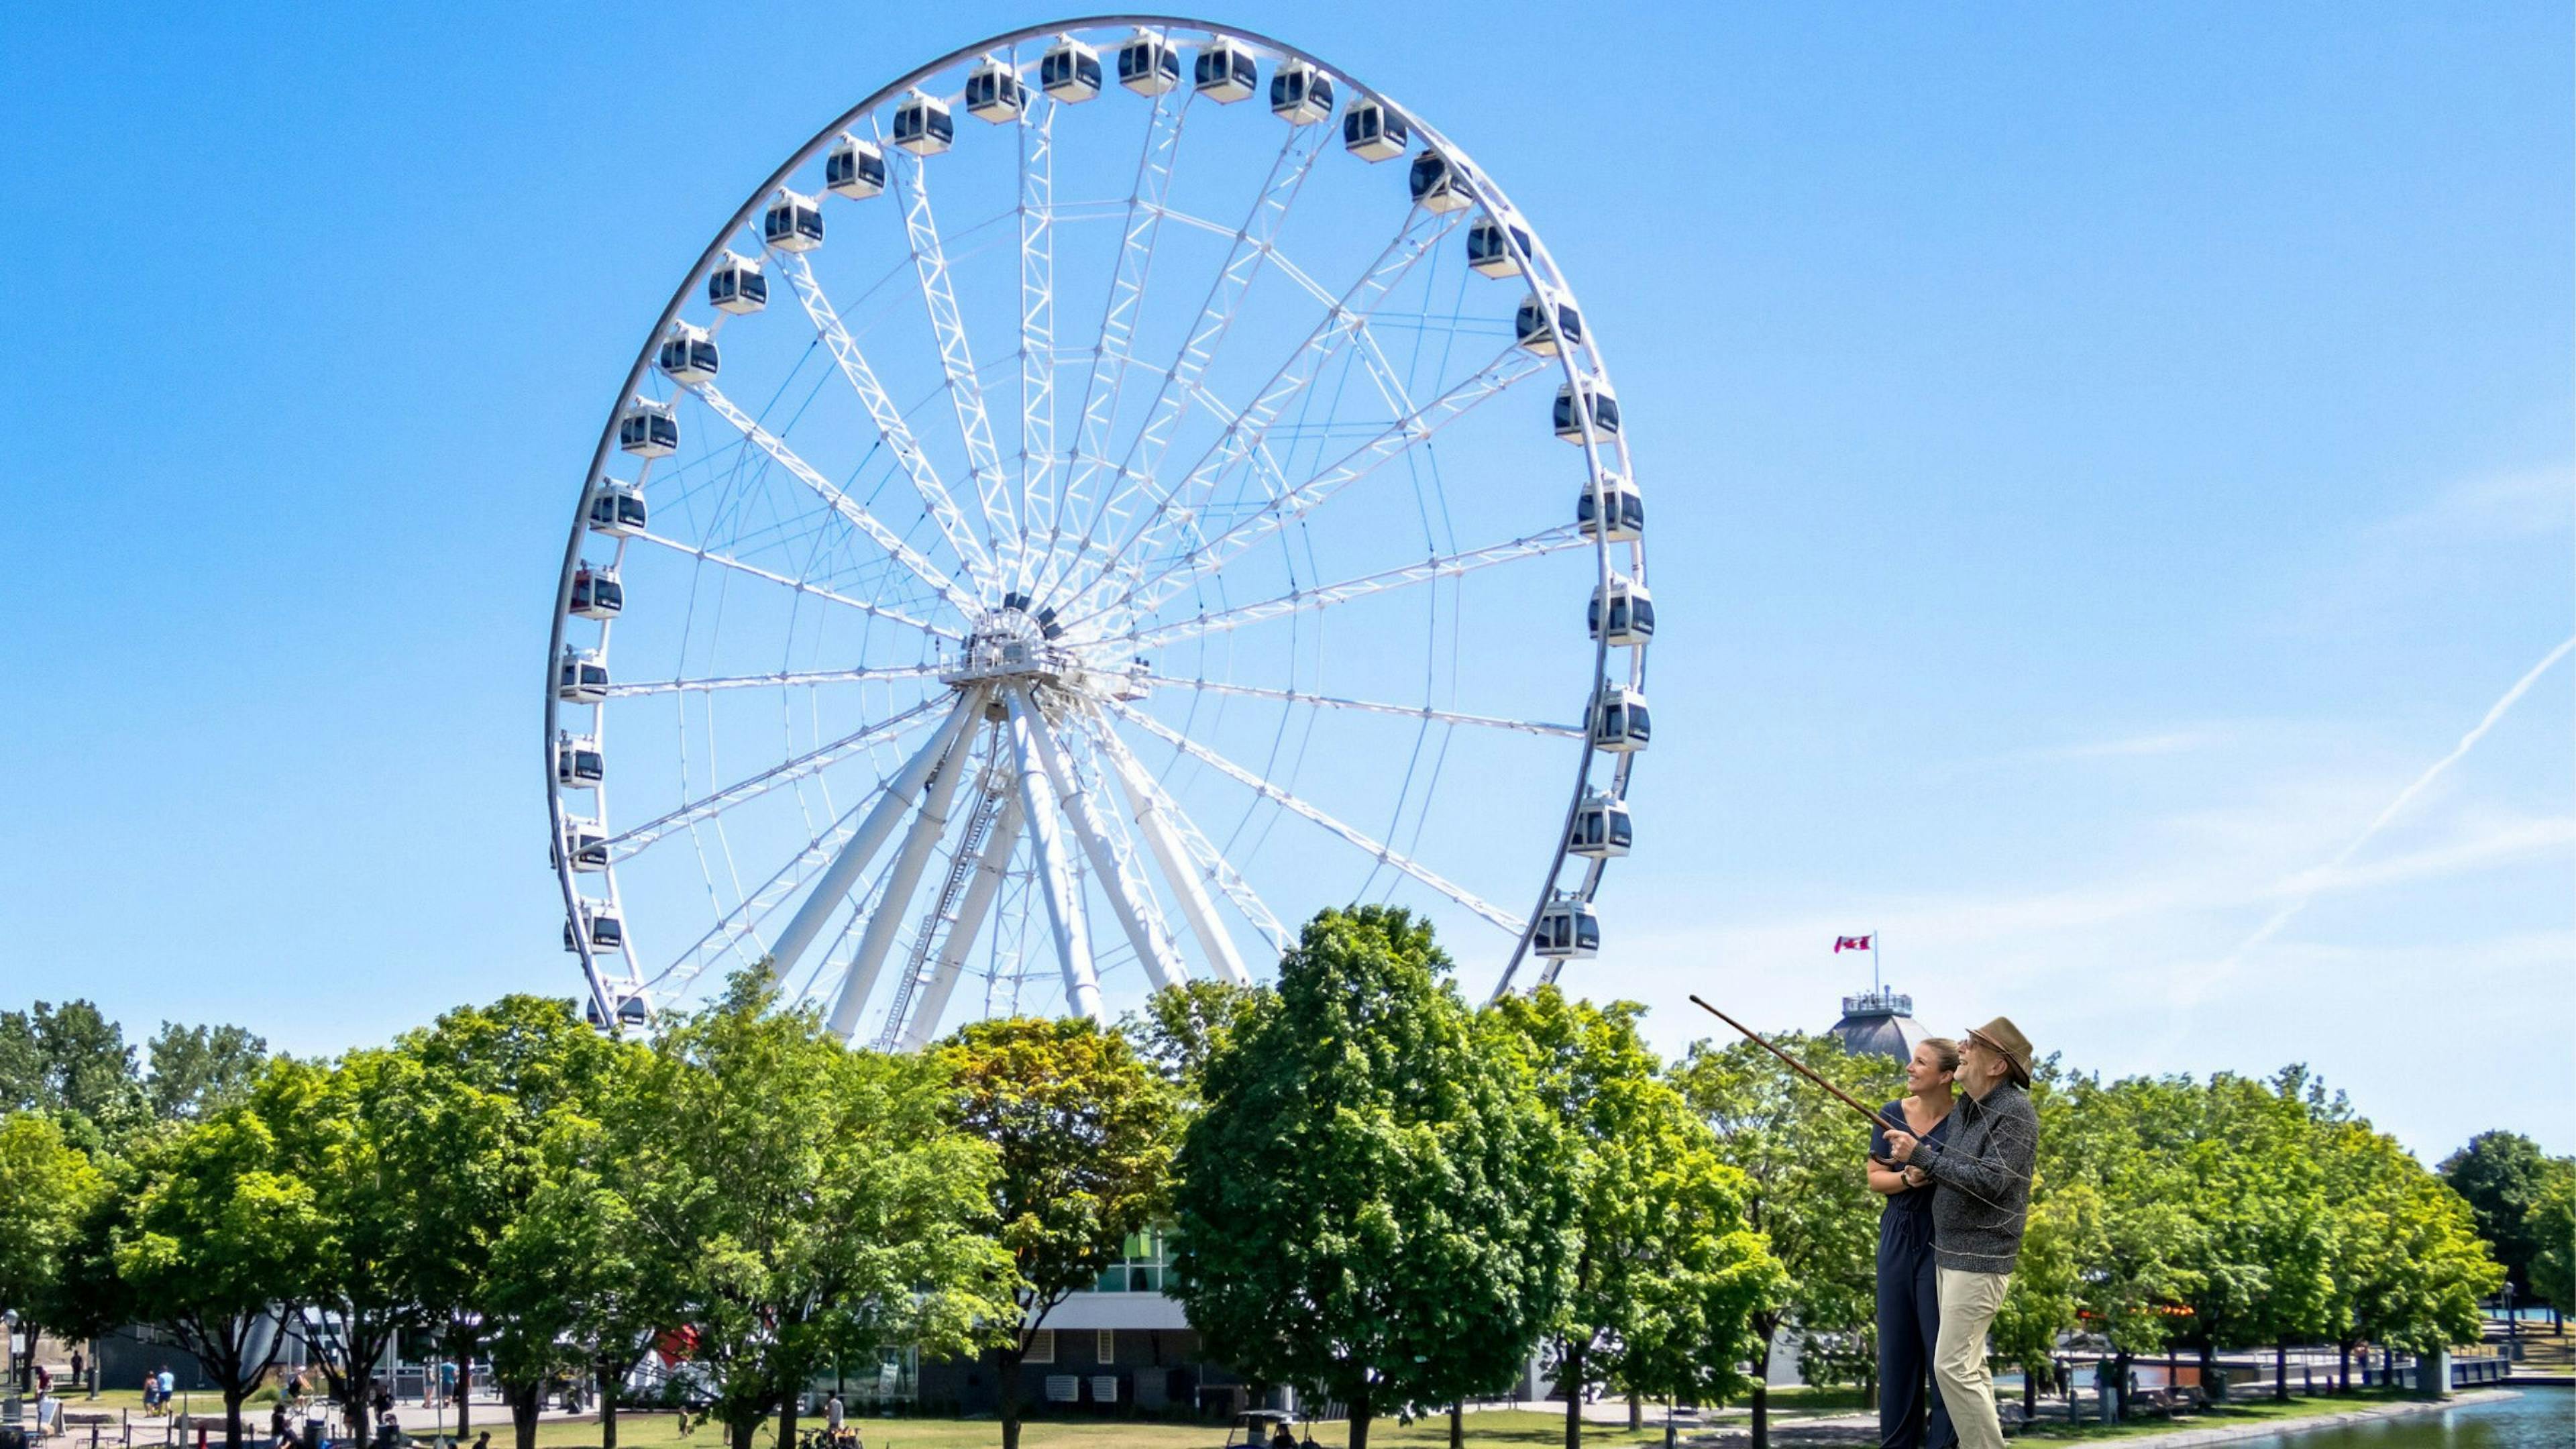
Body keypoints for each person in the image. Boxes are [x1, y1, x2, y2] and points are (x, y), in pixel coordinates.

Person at [1881, 1017, 2039, 1449]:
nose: (1963, 1047)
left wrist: (1924, 1158)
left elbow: (1992, 1181)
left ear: (1997, 1066)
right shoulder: (1972, 1106)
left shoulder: (2015, 1113)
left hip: (1980, 1258)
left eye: (1974, 1044)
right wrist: (1922, 1163)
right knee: (1970, 1368)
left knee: (1951, 1367)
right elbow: (1961, 1168)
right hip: (1949, 1254)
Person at [1867, 1037, 1960, 1449]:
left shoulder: (1967, 1122)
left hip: (1943, 1238)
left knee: (1943, 1358)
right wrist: (1907, 1178)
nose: (1909, 1068)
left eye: (1920, 1063)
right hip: (1898, 1233)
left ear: (1946, 1075)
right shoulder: (1891, 1115)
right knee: (1897, 1355)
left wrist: (1926, 1160)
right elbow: (1876, 1179)